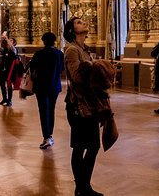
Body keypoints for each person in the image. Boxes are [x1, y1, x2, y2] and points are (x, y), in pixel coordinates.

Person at [64, 17, 106, 196]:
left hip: (90, 103)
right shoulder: (72, 50)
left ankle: (83, 185)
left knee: (93, 146)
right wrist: (95, 67)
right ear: (72, 30)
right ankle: (82, 186)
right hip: (78, 104)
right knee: (80, 146)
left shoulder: (85, 50)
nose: (84, 22)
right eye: (79, 22)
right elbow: (77, 77)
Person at [31, 31, 64, 149]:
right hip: (55, 86)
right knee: (51, 110)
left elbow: (32, 68)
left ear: (43, 41)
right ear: (54, 41)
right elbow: (62, 69)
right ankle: (50, 135)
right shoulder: (60, 54)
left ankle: (47, 137)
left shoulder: (39, 54)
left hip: (41, 87)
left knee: (43, 111)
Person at [0, 33, 16, 106]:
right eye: (9, 40)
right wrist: (0, 40)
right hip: (3, 69)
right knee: (2, 84)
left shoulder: (14, 49)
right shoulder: (5, 49)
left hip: (10, 70)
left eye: (11, 41)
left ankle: (9, 100)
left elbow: (11, 46)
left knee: (9, 85)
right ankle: (4, 98)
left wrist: (7, 38)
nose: (9, 41)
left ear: (14, 43)